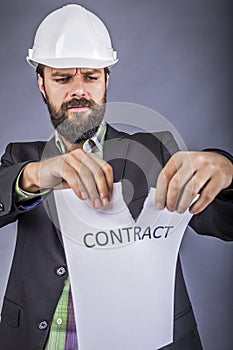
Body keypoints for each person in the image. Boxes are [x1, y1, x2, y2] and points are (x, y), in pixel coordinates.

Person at [0, 4, 232, 350]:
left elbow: (226, 222)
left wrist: (227, 170)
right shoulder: (22, 159)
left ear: (107, 79)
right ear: (41, 84)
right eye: (63, 78)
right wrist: (36, 174)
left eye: (91, 76)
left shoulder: (155, 153)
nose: (78, 90)